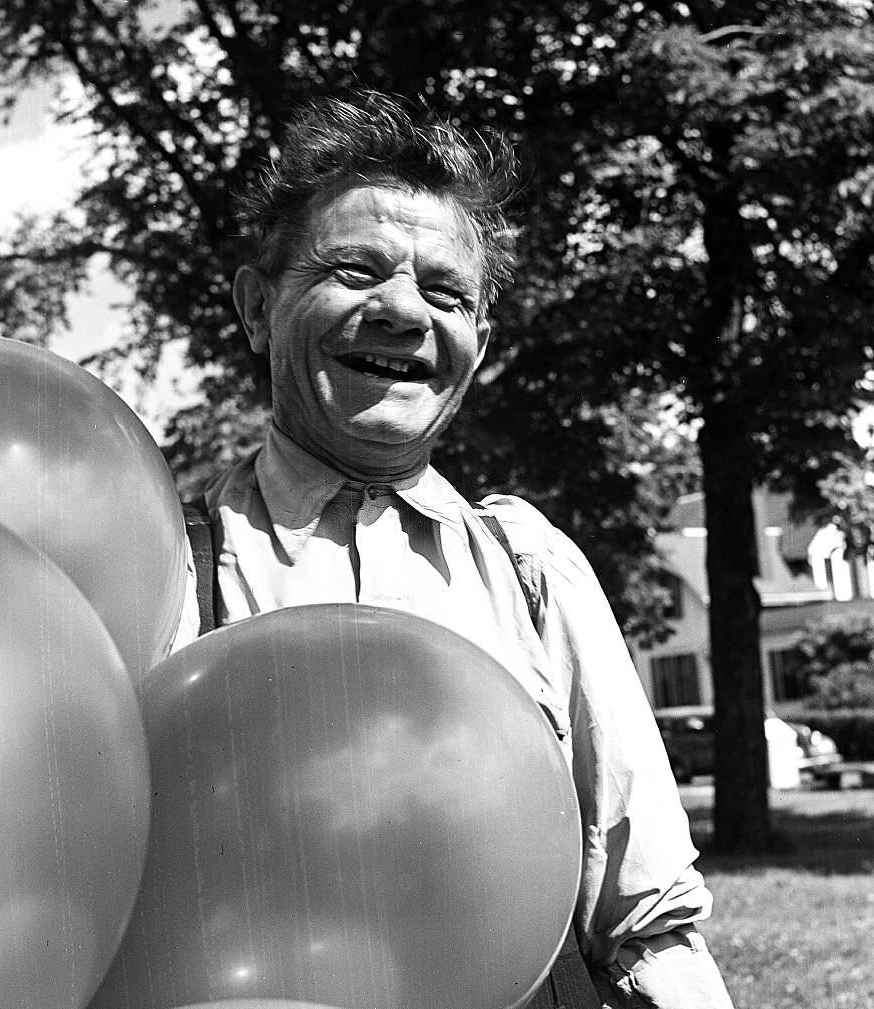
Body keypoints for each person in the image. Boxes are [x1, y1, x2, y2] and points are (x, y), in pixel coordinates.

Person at [173, 89, 734, 1009]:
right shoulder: (165, 562)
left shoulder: (531, 567)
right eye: (354, 271)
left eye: (445, 292)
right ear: (257, 305)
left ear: (478, 342)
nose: (402, 311)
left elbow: (647, 916)